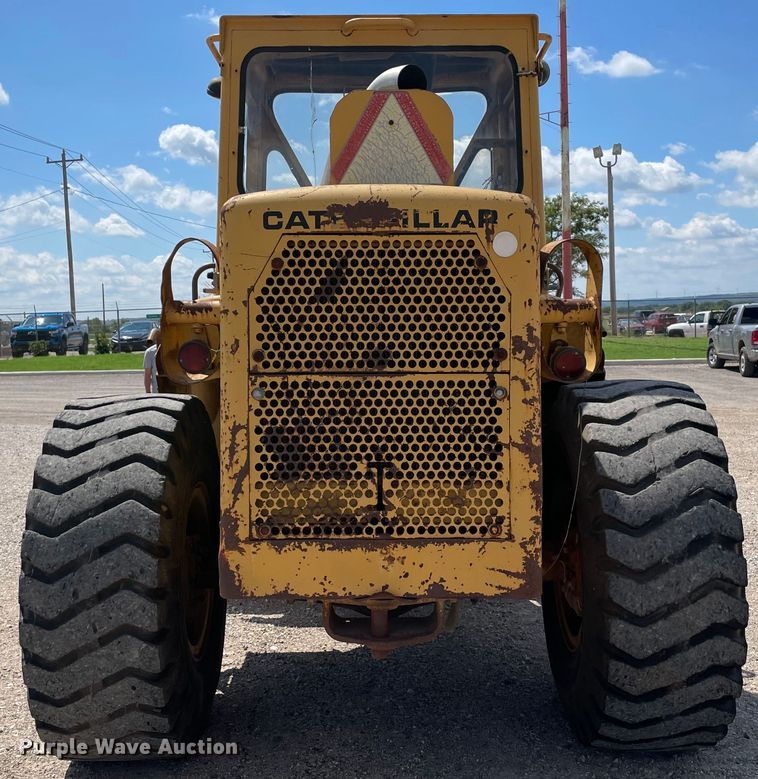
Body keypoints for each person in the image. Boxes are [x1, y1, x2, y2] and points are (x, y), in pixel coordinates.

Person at [143, 327, 161, 393]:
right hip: (157, 392)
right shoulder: (150, 352)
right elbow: (147, 375)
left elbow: (147, 375)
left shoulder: (149, 352)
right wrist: (148, 393)